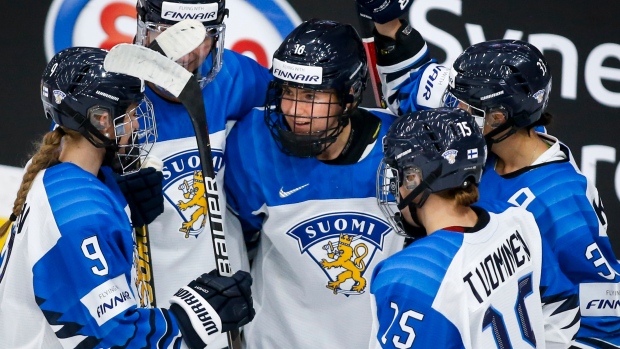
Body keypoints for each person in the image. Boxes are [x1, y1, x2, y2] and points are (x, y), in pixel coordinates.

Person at [357, 2, 620, 346]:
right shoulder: (472, 133)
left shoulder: (561, 201)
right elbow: (412, 86)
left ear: (498, 118)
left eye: (465, 106)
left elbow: (605, 320)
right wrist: (389, 23)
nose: (453, 110)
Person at [0, 47, 254, 349]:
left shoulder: (54, 174)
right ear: (100, 119)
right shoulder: (80, 216)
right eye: (130, 112)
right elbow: (114, 339)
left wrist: (119, 198)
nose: (134, 124)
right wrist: (198, 313)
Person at [223, 19, 406, 349]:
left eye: (310, 95)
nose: (294, 111)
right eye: (288, 92)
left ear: (349, 96)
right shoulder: (252, 144)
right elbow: (239, 240)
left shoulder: (402, 147)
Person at [372, 107, 580, 348]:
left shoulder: (409, 274)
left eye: (398, 173)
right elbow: (562, 312)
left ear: (414, 179)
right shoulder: (516, 219)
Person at [129, 0, 272, 337]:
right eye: (167, 33)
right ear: (143, 29)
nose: (186, 52)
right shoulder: (109, 91)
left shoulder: (237, 78)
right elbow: (61, 172)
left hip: (225, 303)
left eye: (201, 35)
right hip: (145, 308)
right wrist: (112, 191)